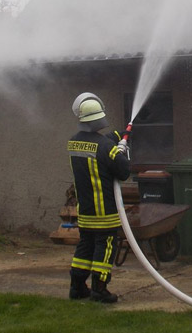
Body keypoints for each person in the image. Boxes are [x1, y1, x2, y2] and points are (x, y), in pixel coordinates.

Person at [67, 92, 131, 303]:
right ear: (99, 119)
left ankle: (77, 287)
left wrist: (116, 137)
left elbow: (96, 143)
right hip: (105, 212)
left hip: (85, 211)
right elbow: (123, 172)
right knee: (106, 248)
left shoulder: (74, 143)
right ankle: (99, 288)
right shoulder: (107, 148)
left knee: (85, 246)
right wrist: (120, 151)